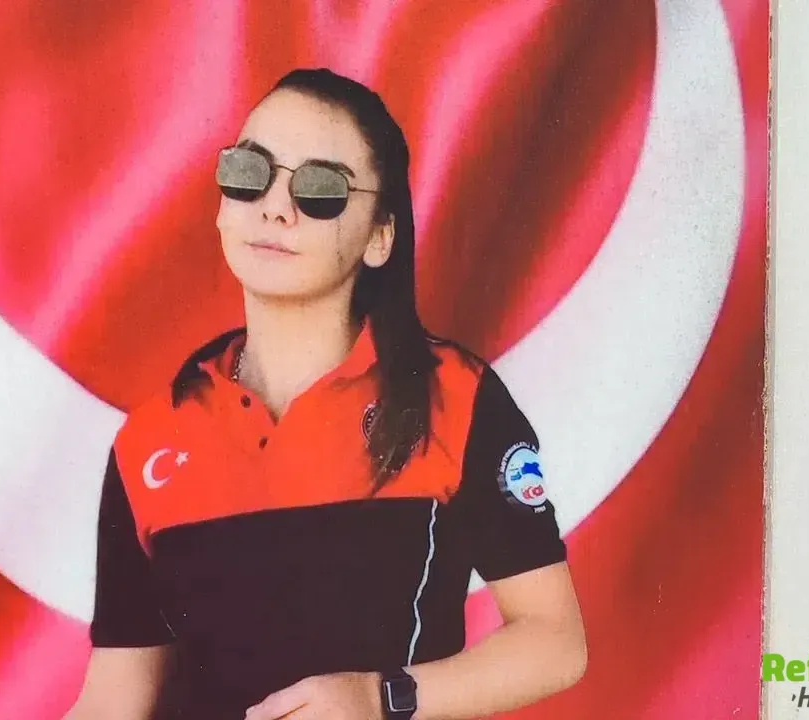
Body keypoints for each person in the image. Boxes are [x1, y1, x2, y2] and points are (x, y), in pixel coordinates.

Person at [64, 68, 586, 720]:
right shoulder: (149, 438)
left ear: (380, 236)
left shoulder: (455, 397)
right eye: (250, 173)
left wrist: (379, 697)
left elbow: (556, 642)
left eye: (319, 189)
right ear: (223, 205)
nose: (275, 208)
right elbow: (114, 702)